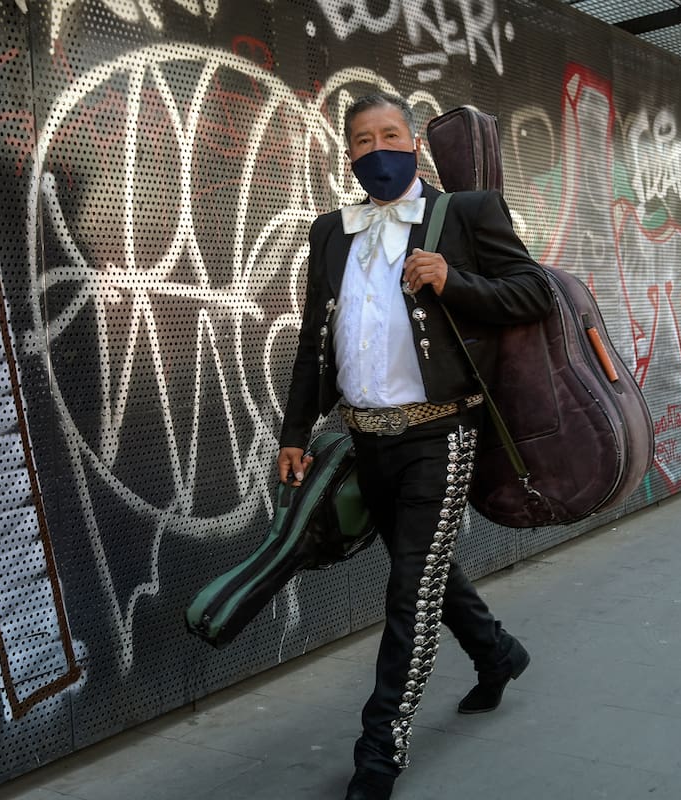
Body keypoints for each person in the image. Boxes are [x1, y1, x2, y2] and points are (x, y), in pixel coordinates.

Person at [276, 93, 552, 800]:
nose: (377, 150)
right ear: (349, 154)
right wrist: (295, 433)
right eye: (362, 141)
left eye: (390, 135)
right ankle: (497, 654)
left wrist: (452, 279)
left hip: (443, 432)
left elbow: (533, 293)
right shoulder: (330, 233)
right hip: (366, 440)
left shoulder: (465, 213)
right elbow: (315, 343)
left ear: (414, 146)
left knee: (410, 595)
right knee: (422, 568)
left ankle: (379, 752)